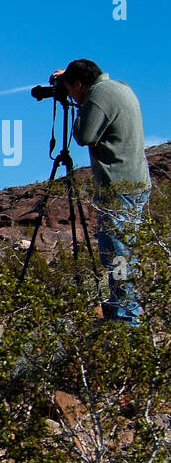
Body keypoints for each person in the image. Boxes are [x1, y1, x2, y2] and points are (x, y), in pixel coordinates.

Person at [51, 59, 150, 324]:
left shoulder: (98, 95)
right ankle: (125, 313)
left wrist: (80, 103)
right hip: (136, 183)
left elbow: (84, 136)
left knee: (117, 257)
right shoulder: (120, 87)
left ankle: (127, 323)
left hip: (117, 188)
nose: (70, 95)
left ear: (80, 84)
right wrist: (69, 81)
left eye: (71, 89)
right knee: (127, 254)